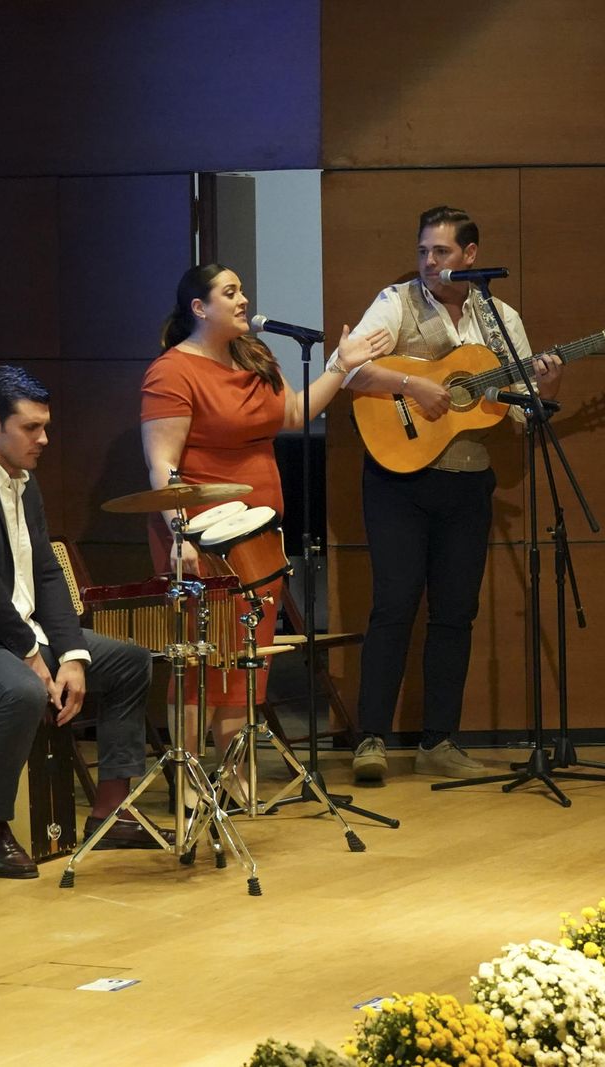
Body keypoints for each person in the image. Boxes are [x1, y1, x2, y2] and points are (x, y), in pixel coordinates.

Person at [0, 365, 167, 879]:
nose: (44, 439)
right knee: (21, 691)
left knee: (130, 662)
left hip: (20, 635)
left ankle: (112, 813)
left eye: (46, 426)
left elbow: (46, 574)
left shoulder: (26, 482)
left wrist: (71, 656)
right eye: (32, 428)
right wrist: (31, 655)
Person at [140, 264, 391, 786]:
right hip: (200, 534)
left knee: (245, 656)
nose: (243, 299)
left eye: (242, 290)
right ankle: (187, 788)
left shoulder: (255, 356)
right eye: (229, 292)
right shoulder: (172, 371)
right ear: (198, 308)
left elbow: (295, 414)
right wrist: (180, 532)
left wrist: (341, 366)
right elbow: (162, 464)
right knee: (204, 658)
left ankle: (234, 782)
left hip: (259, 531)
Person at [337, 206, 563, 782]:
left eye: (440, 252)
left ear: (471, 256)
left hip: (467, 483)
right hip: (397, 480)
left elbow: (518, 413)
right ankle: (371, 740)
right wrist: (412, 383)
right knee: (393, 606)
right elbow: (349, 369)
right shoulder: (395, 302)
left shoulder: (500, 318)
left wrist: (541, 385)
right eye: (422, 252)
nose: (429, 263)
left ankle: (439, 740)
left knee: (456, 613)